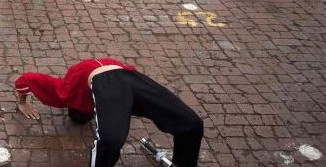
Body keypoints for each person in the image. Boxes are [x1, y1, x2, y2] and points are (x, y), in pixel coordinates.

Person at [15, 58, 204, 167]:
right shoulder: (109, 102)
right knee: (192, 124)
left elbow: (28, 79)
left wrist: (21, 103)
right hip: (132, 80)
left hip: (116, 80)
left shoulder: (68, 90)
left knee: (110, 140)